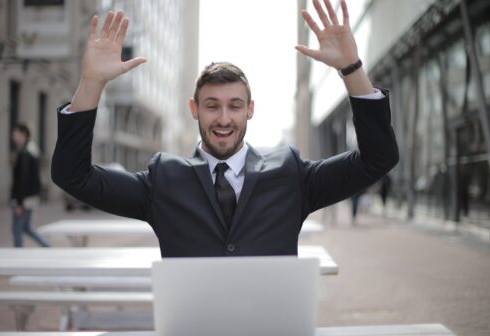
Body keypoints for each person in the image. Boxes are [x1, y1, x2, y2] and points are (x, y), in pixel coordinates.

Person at [52, 0, 398, 257]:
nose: (223, 118)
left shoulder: (291, 175)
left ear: (250, 111)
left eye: (234, 106)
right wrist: (91, 83)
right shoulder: (163, 181)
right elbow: (73, 176)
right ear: (194, 110)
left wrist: (351, 68)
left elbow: (378, 159)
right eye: (212, 106)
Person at [11, 123, 50, 248]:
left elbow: (23, 179)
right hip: (30, 197)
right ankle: (48, 247)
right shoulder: (32, 150)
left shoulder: (26, 153)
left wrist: (19, 203)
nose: (14, 137)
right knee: (26, 228)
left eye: (16, 134)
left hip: (24, 199)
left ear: (23, 135)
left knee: (17, 229)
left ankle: (19, 255)